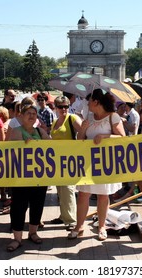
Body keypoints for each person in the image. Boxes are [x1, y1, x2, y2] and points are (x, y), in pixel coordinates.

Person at [68, 89, 125, 241]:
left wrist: (105, 136)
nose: (87, 104)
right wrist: (84, 128)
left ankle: (102, 227)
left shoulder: (113, 117)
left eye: (89, 101)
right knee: (83, 194)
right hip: (88, 162)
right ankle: (79, 226)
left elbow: (123, 138)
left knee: (103, 196)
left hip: (106, 162)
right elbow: (80, 139)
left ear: (96, 102)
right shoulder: (89, 117)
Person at [6, 104, 51, 252]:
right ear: (21, 116)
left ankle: (33, 232)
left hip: (39, 176)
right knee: (19, 207)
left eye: (34, 114)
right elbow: (14, 147)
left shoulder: (40, 130)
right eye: (28, 114)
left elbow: (52, 145)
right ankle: (17, 238)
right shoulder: (16, 131)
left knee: (37, 204)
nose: (32, 116)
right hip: (21, 177)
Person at [49, 95, 82, 231]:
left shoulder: (73, 118)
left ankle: (71, 220)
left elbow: (83, 134)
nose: (64, 109)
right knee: (60, 190)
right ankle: (63, 216)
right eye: (61, 106)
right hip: (57, 160)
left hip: (70, 159)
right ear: (55, 108)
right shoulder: (55, 121)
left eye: (66, 106)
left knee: (68, 189)